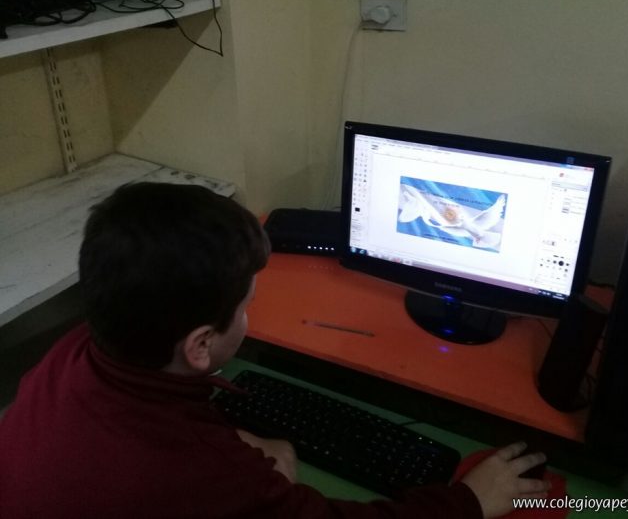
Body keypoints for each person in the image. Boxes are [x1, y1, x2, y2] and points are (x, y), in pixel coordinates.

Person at [0, 183, 550, 518]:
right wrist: (469, 502)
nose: (250, 316)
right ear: (200, 345)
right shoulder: (199, 475)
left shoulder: (77, 353)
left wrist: (239, 445)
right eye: (247, 305)